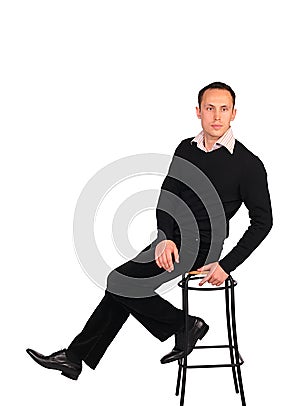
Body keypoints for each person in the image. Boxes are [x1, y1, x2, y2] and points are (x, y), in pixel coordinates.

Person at [26, 81, 273, 380]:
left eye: (224, 109)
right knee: (121, 287)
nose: (217, 116)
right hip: (175, 237)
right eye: (210, 108)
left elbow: (263, 222)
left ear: (234, 113)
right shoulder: (186, 148)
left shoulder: (248, 164)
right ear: (198, 112)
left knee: (119, 281)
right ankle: (76, 357)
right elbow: (168, 194)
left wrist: (226, 265)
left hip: (203, 245)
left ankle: (184, 326)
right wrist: (163, 236)